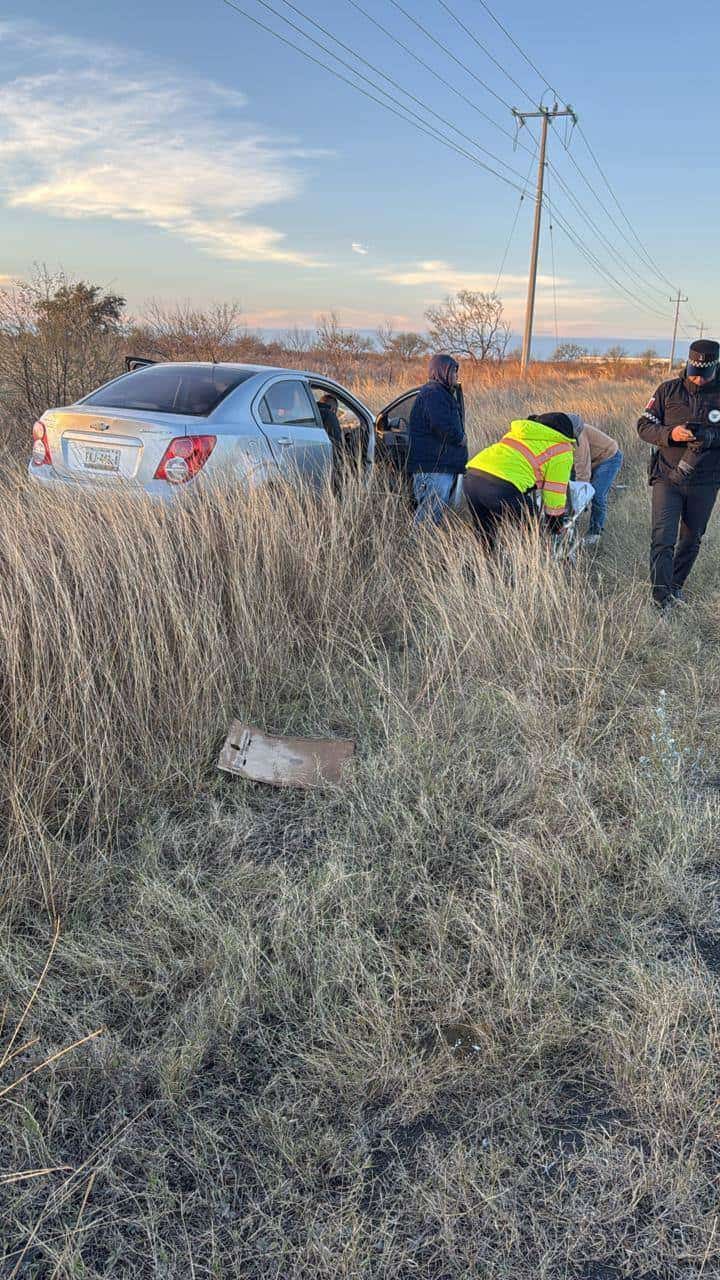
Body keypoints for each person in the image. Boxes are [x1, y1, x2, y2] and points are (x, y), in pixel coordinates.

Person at [637, 338, 720, 610]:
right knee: (663, 539)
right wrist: (669, 434)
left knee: (691, 539)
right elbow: (643, 426)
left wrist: (710, 437)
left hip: (705, 481)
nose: (698, 381)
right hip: (667, 477)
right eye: (694, 375)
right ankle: (660, 600)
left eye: (704, 377)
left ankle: (675, 587)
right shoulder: (667, 391)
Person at [463, 412, 580, 546]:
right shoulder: (562, 449)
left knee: (485, 531)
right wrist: (555, 523)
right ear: (568, 433)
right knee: (533, 532)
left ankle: (483, 564)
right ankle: (530, 564)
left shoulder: (522, 432)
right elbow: (555, 492)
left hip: (472, 477)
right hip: (500, 487)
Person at [407, 353, 468, 525]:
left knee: (433, 516)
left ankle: (423, 549)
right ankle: (415, 550)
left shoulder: (440, 393)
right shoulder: (434, 394)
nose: (456, 376)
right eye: (454, 372)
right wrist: (460, 438)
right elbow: (443, 426)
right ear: (443, 372)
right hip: (433, 469)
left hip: (438, 468)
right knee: (427, 519)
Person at [572, 424, 623, 544]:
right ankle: (571, 529)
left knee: (597, 494)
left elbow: (583, 470)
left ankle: (595, 533)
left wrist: (582, 497)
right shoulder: (555, 436)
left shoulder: (577, 435)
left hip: (609, 457)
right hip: (592, 460)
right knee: (568, 492)